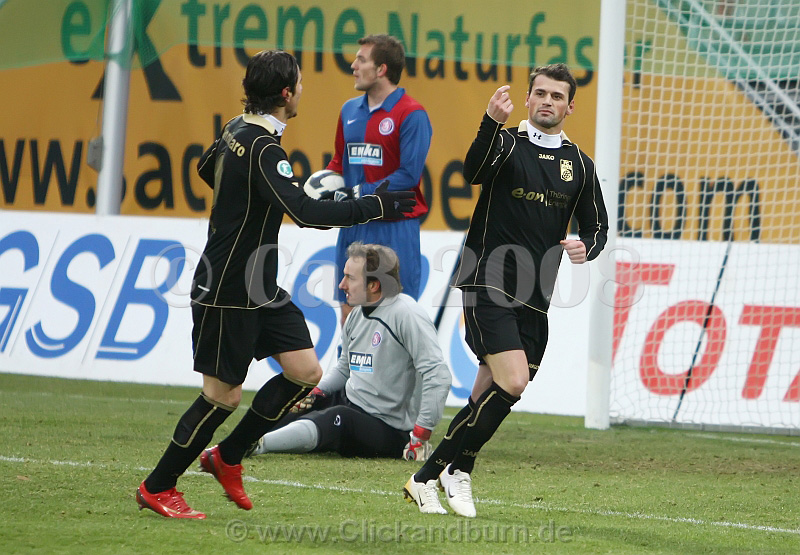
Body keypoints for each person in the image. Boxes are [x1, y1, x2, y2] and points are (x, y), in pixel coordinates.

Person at [134, 50, 416, 520]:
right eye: (300, 84)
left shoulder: (234, 130)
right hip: (228, 286)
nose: (303, 89)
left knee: (305, 371)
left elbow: (209, 170)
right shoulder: (265, 148)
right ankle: (158, 485)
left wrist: (258, 194)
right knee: (221, 396)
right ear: (286, 93)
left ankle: (228, 457)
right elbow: (305, 213)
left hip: (258, 284)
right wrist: (374, 205)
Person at [403, 63, 609, 517]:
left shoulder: (580, 164)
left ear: (570, 106)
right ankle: (439, 474)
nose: (547, 102)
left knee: (489, 395)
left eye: (557, 96)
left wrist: (584, 247)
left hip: (536, 296)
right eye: (540, 93)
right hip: (486, 280)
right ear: (529, 98)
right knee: (513, 380)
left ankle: (447, 472)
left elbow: (598, 227)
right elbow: (473, 170)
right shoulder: (506, 143)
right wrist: (490, 121)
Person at [245, 242, 451, 462]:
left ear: (373, 285)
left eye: (350, 278)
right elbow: (344, 368)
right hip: (350, 403)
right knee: (295, 397)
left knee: (338, 418)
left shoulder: (407, 314)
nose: (341, 285)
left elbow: (438, 376)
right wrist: (316, 393)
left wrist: (421, 434)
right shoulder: (357, 313)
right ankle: (245, 439)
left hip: (389, 427)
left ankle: (259, 446)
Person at [325, 34, 432, 327]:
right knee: (350, 311)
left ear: (382, 69)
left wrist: (359, 192)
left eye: (361, 60)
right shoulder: (348, 110)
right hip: (354, 225)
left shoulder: (411, 114)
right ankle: (350, 373)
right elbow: (339, 162)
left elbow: (409, 175)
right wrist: (321, 184)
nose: (353, 65)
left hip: (394, 227)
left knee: (396, 314)